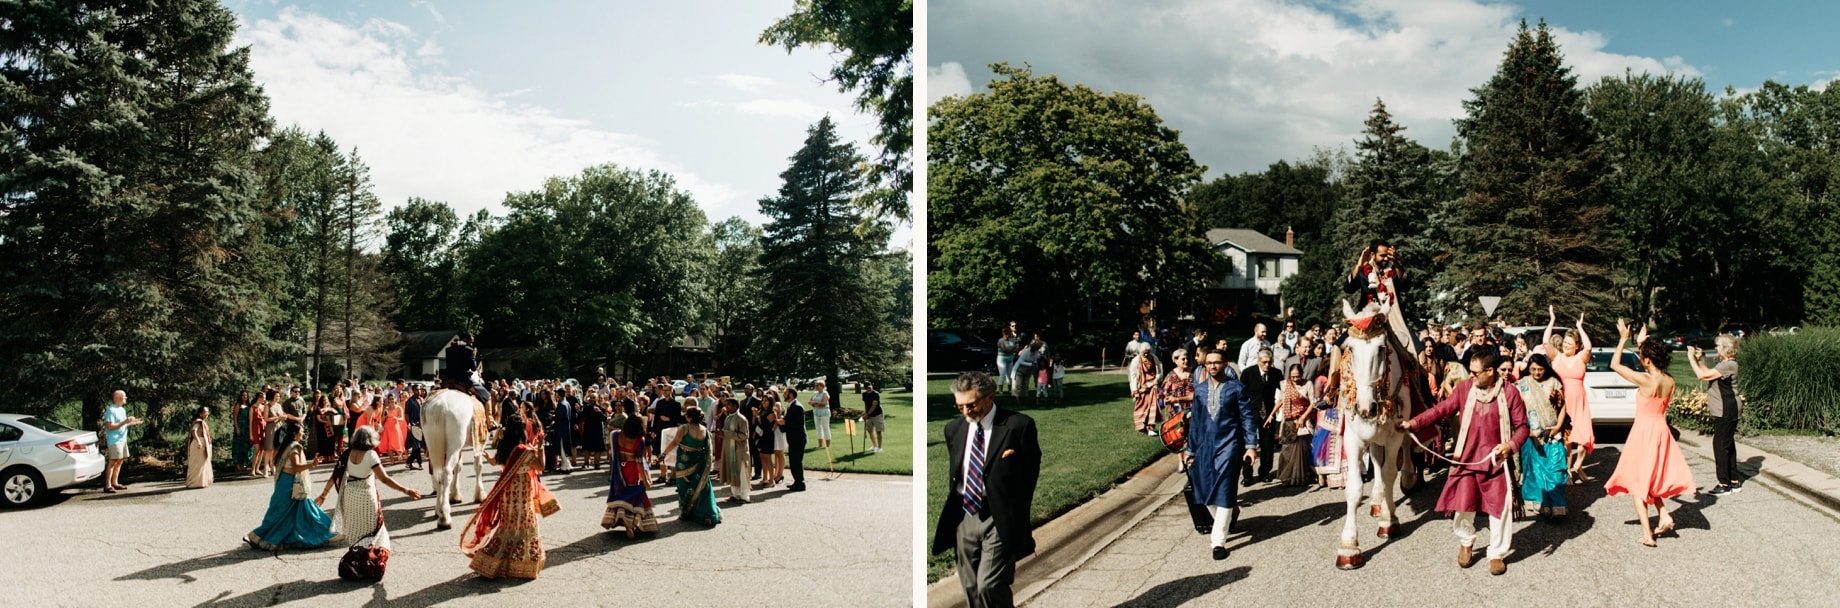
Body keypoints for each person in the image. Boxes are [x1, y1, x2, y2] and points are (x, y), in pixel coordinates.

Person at [1399, 350, 1528, 576]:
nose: (1471, 375)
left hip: (1496, 460)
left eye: (1475, 372)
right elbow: (1442, 409)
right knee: (1463, 505)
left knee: (1501, 508)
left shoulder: (1510, 393)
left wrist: (1509, 446)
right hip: (1467, 458)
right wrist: (1414, 423)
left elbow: (1523, 427)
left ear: (1490, 371)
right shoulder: (1465, 388)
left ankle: (1496, 553)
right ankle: (1466, 542)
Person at [932, 371, 1041, 608]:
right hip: (965, 514)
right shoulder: (954, 429)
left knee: (989, 585)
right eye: (959, 406)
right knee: (971, 587)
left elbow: (1029, 476)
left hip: (999, 515)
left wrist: (1016, 515)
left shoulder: (1018, 426)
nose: (965, 412)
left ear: (989, 397)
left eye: (971, 405)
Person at [1604, 319, 1696, 546]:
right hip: (1660, 430)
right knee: (1650, 477)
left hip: (1643, 432)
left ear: (1647, 360)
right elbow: (1647, 363)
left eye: (1642, 357)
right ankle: (1663, 514)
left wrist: (1623, 339)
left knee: (1638, 481)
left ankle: (1648, 534)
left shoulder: (1645, 381)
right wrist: (1641, 344)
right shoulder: (1670, 380)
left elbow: (1615, 365)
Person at [315, 426, 421, 572]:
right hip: (366, 499)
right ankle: (362, 563)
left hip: (350, 498)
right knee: (375, 532)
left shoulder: (347, 453)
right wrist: (406, 490)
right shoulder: (371, 455)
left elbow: (335, 475)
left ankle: (359, 562)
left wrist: (323, 495)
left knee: (358, 533)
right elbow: (384, 479)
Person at [1186, 349, 1259, 560]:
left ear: (1225, 364)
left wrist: (1250, 446)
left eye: (1216, 363)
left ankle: (1218, 542)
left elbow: (1247, 418)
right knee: (1204, 490)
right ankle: (1229, 513)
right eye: (1208, 363)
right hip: (1205, 447)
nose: (1212, 367)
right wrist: (1190, 450)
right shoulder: (1199, 390)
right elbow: (1196, 423)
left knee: (1225, 488)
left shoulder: (1236, 388)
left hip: (1230, 445)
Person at [462, 434, 560, 579]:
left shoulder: (504, 448)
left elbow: (494, 462)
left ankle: (489, 562)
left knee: (507, 526)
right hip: (522, 493)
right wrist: (540, 447)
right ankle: (523, 564)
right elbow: (541, 467)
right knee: (525, 525)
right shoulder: (525, 451)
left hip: (507, 493)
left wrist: (488, 457)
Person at [245, 422, 343, 550]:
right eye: (301, 431)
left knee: (284, 513)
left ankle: (259, 537)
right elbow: (296, 467)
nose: (303, 433)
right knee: (297, 511)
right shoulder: (294, 448)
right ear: (294, 433)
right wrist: (312, 464)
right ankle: (328, 532)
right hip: (291, 484)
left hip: (285, 482)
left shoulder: (286, 446)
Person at [1541, 306, 1594, 484]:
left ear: (1576, 346)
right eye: (1565, 343)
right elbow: (1545, 341)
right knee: (1566, 441)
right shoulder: (1556, 357)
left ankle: (1578, 466)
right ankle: (1568, 471)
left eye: (1570, 344)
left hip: (1579, 402)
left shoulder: (1581, 358)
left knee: (1585, 437)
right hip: (1563, 401)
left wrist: (1580, 327)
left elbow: (1588, 346)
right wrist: (1552, 320)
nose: (1566, 346)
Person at [1515, 355, 1568, 518]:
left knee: (1555, 469)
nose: (1536, 373)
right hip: (1532, 434)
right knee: (1534, 470)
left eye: (1540, 369)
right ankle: (1540, 503)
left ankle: (1558, 505)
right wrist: (1525, 429)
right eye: (1533, 369)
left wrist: (1558, 426)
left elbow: (1562, 405)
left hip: (1552, 433)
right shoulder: (1522, 385)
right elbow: (1517, 409)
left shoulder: (1554, 382)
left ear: (1546, 368)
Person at [1691, 336, 1744, 494]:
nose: (1715, 348)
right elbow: (1708, 373)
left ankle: (1724, 484)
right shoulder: (1725, 365)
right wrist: (1700, 360)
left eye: (1717, 345)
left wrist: (1691, 359)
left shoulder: (1729, 365)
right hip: (1726, 408)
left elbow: (1701, 376)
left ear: (1726, 347)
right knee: (1728, 444)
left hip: (1726, 409)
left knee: (1720, 445)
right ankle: (1733, 481)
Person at [662, 405, 721, 526]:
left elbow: (674, 442)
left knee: (684, 487)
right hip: (699, 463)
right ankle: (707, 514)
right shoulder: (705, 430)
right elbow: (709, 449)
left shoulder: (684, 428)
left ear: (688, 417)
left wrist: (663, 454)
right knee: (702, 488)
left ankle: (686, 512)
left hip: (684, 464)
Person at [602, 415, 660, 537]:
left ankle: (620, 518)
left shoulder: (616, 435)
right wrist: (645, 480)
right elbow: (639, 462)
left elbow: (612, 452)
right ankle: (632, 523)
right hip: (632, 469)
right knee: (637, 494)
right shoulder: (639, 440)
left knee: (622, 493)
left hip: (619, 469)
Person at [1240, 349, 1282, 485]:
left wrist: (1274, 413)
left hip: (1269, 414)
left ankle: (1264, 472)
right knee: (1249, 444)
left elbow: (1283, 392)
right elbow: (1241, 394)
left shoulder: (1276, 373)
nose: (1267, 365)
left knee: (1268, 445)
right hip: (1250, 413)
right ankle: (1247, 475)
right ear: (1258, 361)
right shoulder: (1248, 373)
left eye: (1270, 362)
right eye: (1264, 362)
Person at [1272, 365, 1315, 486]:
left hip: (1302, 421)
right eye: (1293, 377)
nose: (1295, 379)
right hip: (1288, 420)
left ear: (1302, 375)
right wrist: (1271, 415)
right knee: (1287, 450)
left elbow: (1312, 403)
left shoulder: (1308, 384)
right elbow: (1281, 400)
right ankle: (1286, 477)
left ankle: (1300, 477)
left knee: (1301, 449)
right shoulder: (1286, 384)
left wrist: (1302, 418)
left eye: (1298, 376)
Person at [100, 390, 142, 493]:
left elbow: (122, 425)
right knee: (113, 461)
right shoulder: (111, 410)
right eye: (124, 396)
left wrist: (132, 423)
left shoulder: (122, 409)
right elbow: (110, 427)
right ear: (117, 398)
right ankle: (107, 485)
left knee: (120, 460)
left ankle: (115, 483)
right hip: (114, 440)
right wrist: (125, 421)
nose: (126, 398)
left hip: (122, 439)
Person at [719, 398, 752, 503]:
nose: (726, 407)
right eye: (726, 405)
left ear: (735, 406)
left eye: (729, 405)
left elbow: (745, 435)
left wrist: (726, 433)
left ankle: (744, 496)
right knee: (732, 472)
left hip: (739, 450)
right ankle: (735, 494)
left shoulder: (741, 419)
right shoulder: (728, 418)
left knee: (741, 472)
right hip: (730, 449)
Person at [781, 388, 808, 492]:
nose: (784, 395)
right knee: (793, 461)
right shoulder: (791, 406)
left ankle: (800, 482)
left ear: (791, 395)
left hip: (798, 438)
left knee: (797, 461)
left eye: (785, 393)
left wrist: (785, 423)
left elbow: (798, 424)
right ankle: (797, 481)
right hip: (792, 438)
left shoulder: (797, 407)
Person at [1129, 346, 1160, 435]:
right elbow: (1133, 375)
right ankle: (1142, 426)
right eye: (1144, 353)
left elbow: (1159, 370)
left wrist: (1157, 378)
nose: (1146, 354)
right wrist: (1134, 389)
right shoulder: (1136, 360)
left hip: (1152, 386)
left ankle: (1150, 428)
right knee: (1141, 407)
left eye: (1148, 352)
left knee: (1151, 406)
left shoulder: (1154, 357)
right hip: (1141, 387)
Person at [185, 407, 214, 489]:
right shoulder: (198, 422)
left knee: (203, 463)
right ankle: (193, 483)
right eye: (205, 412)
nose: (207, 414)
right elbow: (194, 431)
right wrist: (198, 441)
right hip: (198, 445)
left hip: (203, 443)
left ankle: (201, 482)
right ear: (200, 413)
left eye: (207, 412)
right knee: (197, 464)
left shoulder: (203, 422)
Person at [580, 394, 610, 470]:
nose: (592, 399)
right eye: (591, 398)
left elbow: (605, 419)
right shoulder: (586, 408)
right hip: (588, 430)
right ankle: (586, 463)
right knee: (587, 448)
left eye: (594, 398)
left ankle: (597, 464)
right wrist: (578, 411)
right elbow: (582, 416)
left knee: (598, 448)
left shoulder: (601, 408)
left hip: (598, 430)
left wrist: (599, 412)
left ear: (597, 398)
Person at [232, 391, 254, 473]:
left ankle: (244, 463)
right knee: (238, 445)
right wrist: (237, 428)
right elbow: (235, 417)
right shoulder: (238, 405)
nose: (245, 397)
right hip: (240, 427)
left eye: (246, 395)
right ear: (240, 396)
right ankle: (237, 464)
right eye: (243, 395)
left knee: (247, 445)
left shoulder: (249, 405)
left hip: (247, 428)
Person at [997, 322, 1022, 392]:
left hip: (1010, 359)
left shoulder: (1011, 340)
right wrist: (1012, 349)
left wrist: (1011, 349)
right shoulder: (1000, 341)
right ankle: (1000, 390)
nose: (1007, 336)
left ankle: (1010, 389)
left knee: (1010, 375)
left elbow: (1016, 349)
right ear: (1003, 334)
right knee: (1002, 374)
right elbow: (1005, 350)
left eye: (1008, 334)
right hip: (1002, 359)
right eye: (1006, 334)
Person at [862, 383, 885, 453]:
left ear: (872, 386)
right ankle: (874, 445)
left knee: (878, 431)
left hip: (877, 414)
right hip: (869, 415)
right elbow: (866, 404)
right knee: (870, 430)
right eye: (866, 388)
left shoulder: (876, 394)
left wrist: (867, 414)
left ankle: (879, 447)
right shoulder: (864, 394)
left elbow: (874, 405)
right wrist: (865, 412)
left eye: (869, 387)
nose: (868, 389)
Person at [810, 379, 833, 449]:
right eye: (816, 385)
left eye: (818, 385)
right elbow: (810, 401)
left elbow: (824, 403)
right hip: (816, 412)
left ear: (822, 386)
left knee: (825, 428)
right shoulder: (814, 393)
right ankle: (820, 444)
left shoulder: (825, 393)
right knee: (818, 428)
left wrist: (816, 403)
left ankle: (827, 444)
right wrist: (815, 403)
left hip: (824, 413)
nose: (816, 387)